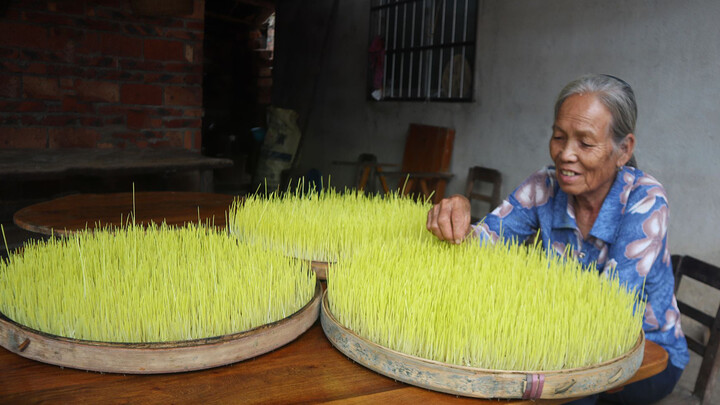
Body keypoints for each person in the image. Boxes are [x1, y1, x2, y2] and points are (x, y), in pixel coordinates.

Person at [427, 74, 689, 405]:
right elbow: (482, 245)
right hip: (569, 347)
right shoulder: (543, 186)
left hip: (648, 351)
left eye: (585, 143)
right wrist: (460, 216)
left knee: (570, 397)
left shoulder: (645, 199)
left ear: (624, 149)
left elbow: (609, 311)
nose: (565, 154)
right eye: (558, 137)